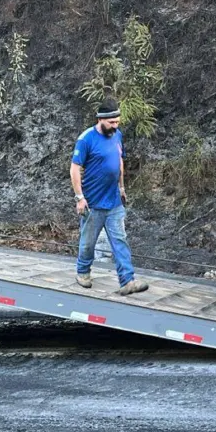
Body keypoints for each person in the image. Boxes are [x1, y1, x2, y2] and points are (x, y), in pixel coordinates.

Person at [70, 98, 148, 295]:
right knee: (88, 242)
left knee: (120, 240)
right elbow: (75, 168)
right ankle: (83, 272)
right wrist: (80, 197)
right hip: (93, 202)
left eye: (117, 122)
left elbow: (119, 161)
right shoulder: (86, 139)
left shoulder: (117, 135)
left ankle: (127, 280)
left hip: (113, 200)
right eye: (111, 122)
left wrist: (122, 187)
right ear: (100, 119)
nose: (115, 126)